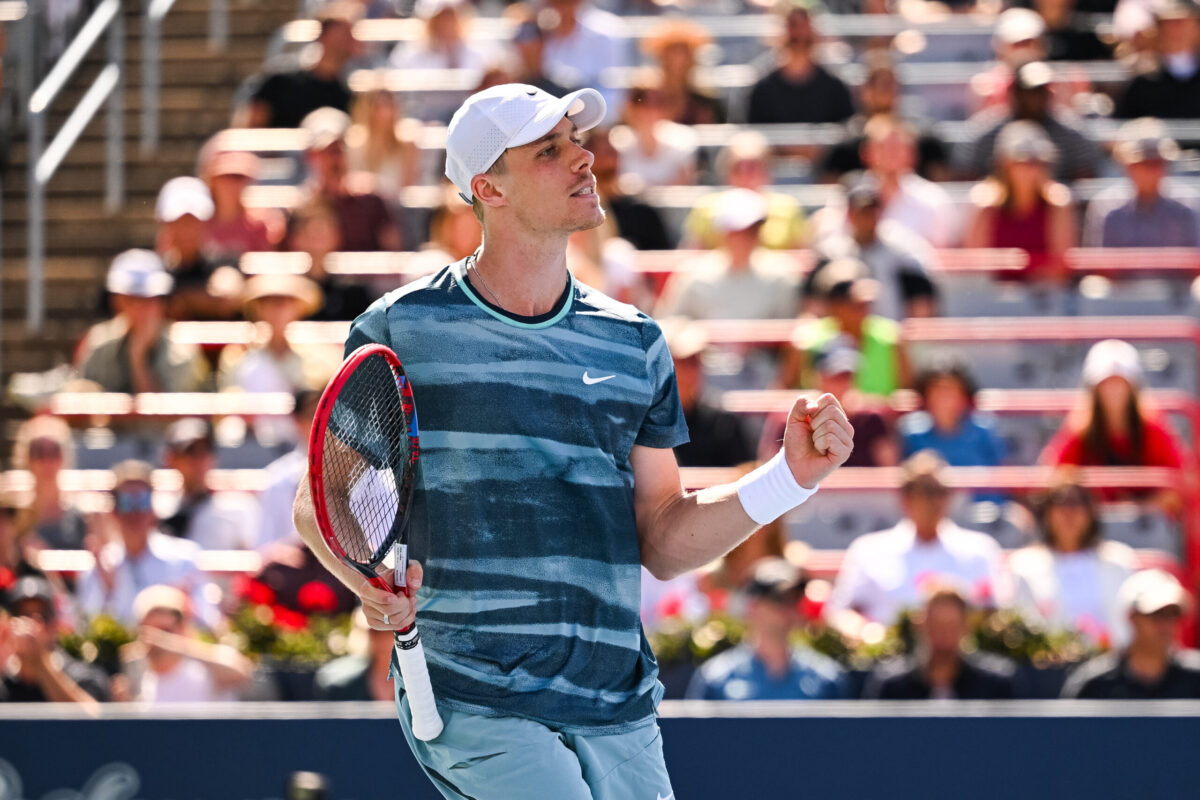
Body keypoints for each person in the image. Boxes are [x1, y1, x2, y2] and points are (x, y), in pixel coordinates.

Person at [291, 83, 855, 799]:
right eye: (549, 150)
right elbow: (320, 500)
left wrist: (788, 477)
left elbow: (662, 536)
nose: (584, 159)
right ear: (487, 187)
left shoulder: (636, 342)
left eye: (577, 141)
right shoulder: (402, 328)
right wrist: (368, 585)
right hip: (474, 692)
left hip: (616, 703)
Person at [825, 451, 1008, 637]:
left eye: (942, 491)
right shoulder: (868, 550)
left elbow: (996, 614)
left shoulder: (980, 549)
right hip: (885, 660)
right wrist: (869, 636)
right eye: (927, 491)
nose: (935, 501)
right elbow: (841, 612)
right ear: (906, 498)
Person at [1040, 339, 1186, 511]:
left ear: (1133, 388)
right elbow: (1053, 480)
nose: (1113, 390)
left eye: (1120, 382)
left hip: (1150, 528)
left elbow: (1182, 485)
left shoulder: (1154, 428)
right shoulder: (1079, 429)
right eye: (1106, 383)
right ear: (1093, 389)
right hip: (1093, 531)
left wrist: (1138, 510)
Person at [77, 460, 220, 630]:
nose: (136, 512)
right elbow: (89, 630)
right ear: (114, 512)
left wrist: (183, 604)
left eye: (143, 500)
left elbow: (208, 624)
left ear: (153, 507)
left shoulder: (185, 558)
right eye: (127, 502)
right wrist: (109, 590)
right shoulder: (98, 568)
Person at [685, 558, 846, 701]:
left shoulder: (826, 677)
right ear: (753, 606)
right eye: (779, 599)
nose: (790, 608)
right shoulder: (716, 679)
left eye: (796, 598)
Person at [1009, 479, 1137, 649]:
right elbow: (1020, 628)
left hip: (1110, 668)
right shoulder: (1023, 564)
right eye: (1060, 504)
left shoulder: (1118, 560)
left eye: (1077, 504)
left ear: (1091, 513)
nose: (1069, 513)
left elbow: (1127, 628)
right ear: (1047, 513)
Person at [806, 171, 939, 321]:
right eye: (861, 212)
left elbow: (921, 303)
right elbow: (814, 305)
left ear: (881, 212)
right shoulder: (831, 252)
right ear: (849, 214)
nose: (867, 218)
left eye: (872, 211)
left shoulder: (902, 251)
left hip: (890, 336)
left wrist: (905, 339)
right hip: (843, 339)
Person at [76, 250, 209, 394]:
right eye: (132, 299)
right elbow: (82, 403)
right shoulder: (99, 343)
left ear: (161, 303)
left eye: (148, 300)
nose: (140, 308)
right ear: (117, 302)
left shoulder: (182, 352)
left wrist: (138, 360)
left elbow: (167, 414)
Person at [655, 189, 799, 322]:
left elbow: (792, 334)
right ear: (722, 232)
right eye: (737, 230)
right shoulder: (692, 276)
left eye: (752, 229)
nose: (745, 237)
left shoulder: (782, 277)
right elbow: (667, 327)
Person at [218, 274, 326, 444]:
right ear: (260, 309)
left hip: (302, 443)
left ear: (297, 309)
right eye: (270, 303)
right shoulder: (239, 356)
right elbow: (227, 402)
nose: (278, 310)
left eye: (284, 303)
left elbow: (317, 407)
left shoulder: (318, 356)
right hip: (252, 442)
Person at [1061, 569, 1200, 698]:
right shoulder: (1093, 685)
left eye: (1173, 614)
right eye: (1156, 614)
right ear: (1132, 618)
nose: (1166, 624)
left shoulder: (1195, 678)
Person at [963, 120, 1076, 278]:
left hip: (1044, 296)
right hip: (993, 296)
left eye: (1038, 163)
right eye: (1023, 162)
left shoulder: (1058, 203)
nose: (1031, 169)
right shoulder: (985, 204)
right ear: (1005, 164)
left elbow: (1060, 269)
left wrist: (1032, 283)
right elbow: (975, 266)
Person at [785, 258, 911, 398]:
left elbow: (906, 394)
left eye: (866, 304)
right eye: (855, 305)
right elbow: (787, 390)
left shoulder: (891, 338)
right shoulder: (805, 341)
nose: (864, 310)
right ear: (835, 305)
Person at [956, 61, 1100, 183]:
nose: (1034, 99)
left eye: (1040, 92)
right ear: (1015, 92)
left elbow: (1085, 177)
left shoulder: (1071, 133)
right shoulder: (986, 132)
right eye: (1028, 92)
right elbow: (969, 176)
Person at [861, 586, 1016, 700]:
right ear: (921, 625)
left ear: (966, 627)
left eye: (951, 625)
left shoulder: (995, 683)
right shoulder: (890, 684)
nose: (943, 634)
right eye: (935, 625)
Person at [817, 54, 950, 184]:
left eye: (891, 84)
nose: (886, 90)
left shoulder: (924, 140)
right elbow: (830, 185)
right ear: (864, 90)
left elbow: (940, 180)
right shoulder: (846, 143)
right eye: (879, 84)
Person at [115, 585, 253, 703]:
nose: (156, 638)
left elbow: (241, 672)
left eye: (165, 630)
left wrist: (175, 645)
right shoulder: (138, 674)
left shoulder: (204, 665)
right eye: (149, 630)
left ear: (183, 628)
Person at [236, 2, 359, 128]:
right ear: (324, 35)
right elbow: (250, 127)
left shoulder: (349, 96)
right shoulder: (279, 82)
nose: (351, 40)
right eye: (344, 34)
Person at [1082, 117, 1200, 248]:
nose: (1152, 171)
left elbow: (1195, 261)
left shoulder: (1188, 205)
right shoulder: (1105, 207)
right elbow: (1099, 264)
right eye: (1144, 164)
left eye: (1157, 163)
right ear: (1127, 166)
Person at [297, 107, 403, 253]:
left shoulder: (372, 200)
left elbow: (393, 253)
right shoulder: (301, 207)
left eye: (341, 150)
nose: (336, 160)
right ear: (311, 157)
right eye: (329, 152)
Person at [681, 131, 807, 251]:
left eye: (753, 167)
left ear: (767, 171)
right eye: (738, 168)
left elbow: (802, 258)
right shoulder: (706, 206)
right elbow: (691, 256)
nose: (745, 175)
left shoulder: (787, 207)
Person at [0, 576, 108, 705]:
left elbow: (92, 721)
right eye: (23, 616)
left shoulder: (81, 675)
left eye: (42, 617)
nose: (33, 626)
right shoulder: (4, 682)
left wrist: (41, 664)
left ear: (55, 625)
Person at [898, 357, 1007, 484]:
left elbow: (1004, 474)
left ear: (964, 395)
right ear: (926, 395)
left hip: (984, 503)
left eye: (950, 389)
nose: (943, 397)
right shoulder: (911, 433)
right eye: (937, 389)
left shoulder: (984, 429)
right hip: (931, 503)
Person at [746, 0, 854, 125]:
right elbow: (756, 130)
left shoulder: (834, 88)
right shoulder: (763, 89)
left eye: (804, 25)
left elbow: (845, 132)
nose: (799, 33)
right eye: (793, 25)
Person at [665, 320, 755, 468]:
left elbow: (745, 475)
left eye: (695, 361)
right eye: (683, 362)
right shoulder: (639, 423)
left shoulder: (724, 424)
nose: (692, 370)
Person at [159, 419, 259, 551]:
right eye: (190, 452)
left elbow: (254, 560)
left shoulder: (239, 508)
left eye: (205, 451)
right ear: (170, 459)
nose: (198, 461)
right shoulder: (155, 510)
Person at [387, 0, 494, 122]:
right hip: (424, 119)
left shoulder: (478, 49)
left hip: (471, 119)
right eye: (440, 18)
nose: (446, 24)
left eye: (450, 17)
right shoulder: (410, 52)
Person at [155, 176, 244, 321]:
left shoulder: (226, 263)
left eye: (192, 221)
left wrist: (177, 298)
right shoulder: (156, 270)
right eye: (178, 222)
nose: (186, 230)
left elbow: (227, 300)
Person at [539, 0, 631, 122]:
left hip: (597, 123)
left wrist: (593, 122)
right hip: (555, 121)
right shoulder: (542, 33)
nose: (561, 7)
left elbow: (613, 89)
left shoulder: (607, 30)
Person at [282, 201, 374, 322]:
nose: (318, 239)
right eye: (312, 233)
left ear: (336, 237)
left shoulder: (353, 291)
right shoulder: (285, 291)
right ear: (296, 239)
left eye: (323, 233)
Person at [585, 127, 670, 252]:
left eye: (610, 146)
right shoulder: (576, 213)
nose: (611, 151)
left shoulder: (642, 214)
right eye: (597, 147)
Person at [1113, 0, 1200, 120]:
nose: (1177, 31)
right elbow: (1123, 126)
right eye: (1169, 24)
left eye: (1182, 23)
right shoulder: (1144, 82)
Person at [610, 73, 698, 190]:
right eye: (642, 101)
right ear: (631, 106)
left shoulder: (684, 139)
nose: (651, 109)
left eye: (658, 102)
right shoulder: (616, 141)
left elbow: (681, 187)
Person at [11, 415, 86, 550]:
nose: (46, 461)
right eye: (38, 452)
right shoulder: (13, 516)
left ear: (64, 457)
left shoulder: (84, 516)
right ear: (25, 458)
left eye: (54, 452)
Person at [198, 144, 279, 260]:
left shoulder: (260, 224)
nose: (231, 184)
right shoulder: (198, 223)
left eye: (238, 177)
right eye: (225, 176)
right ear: (211, 179)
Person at [641, 19, 726, 126]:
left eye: (683, 53)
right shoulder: (645, 99)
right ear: (660, 57)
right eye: (671, 52)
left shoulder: (706, 102)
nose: (677, 60)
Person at [346, 89, 422, 199]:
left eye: (388, 105)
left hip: (394, 210)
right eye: (377, 106)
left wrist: (373, 185)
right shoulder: (353, 143)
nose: (383, 112)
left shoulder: (407, 144)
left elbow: (406, 189)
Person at [314, 610, 396, 700]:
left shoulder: (413, 680)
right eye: (376, 631)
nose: (383, 640)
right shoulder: (338, 683)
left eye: (391, 631)